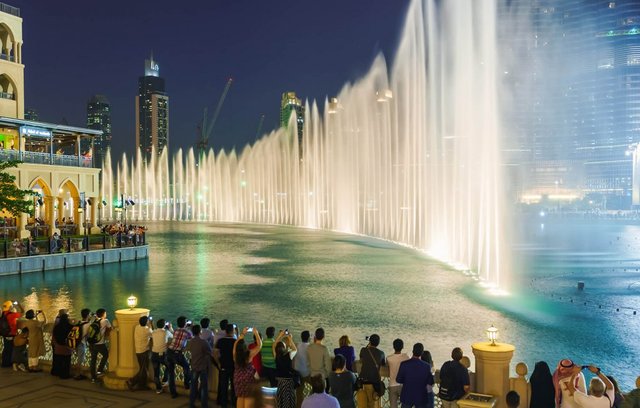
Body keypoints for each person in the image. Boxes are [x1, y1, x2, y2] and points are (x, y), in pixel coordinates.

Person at [396, 343, 434, 408]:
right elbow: (430, 382)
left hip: (407, 395)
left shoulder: (404, 364)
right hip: (420, 397)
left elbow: (398, 380)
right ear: (421, 353)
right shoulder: (427, 366)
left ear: (413, 351)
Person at [234, 327, 263, 408]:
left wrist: (242, 335)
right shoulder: (249, 354)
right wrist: (256, 333)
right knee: (248, 399)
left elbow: (235, 344)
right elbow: (259, 345)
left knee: (240, 398)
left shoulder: (235, 354)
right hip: (248, 379)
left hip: (237, 379)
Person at [167, 316, 193, 398]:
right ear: (185, 324)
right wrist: (191, 327)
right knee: (186, 367)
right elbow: (192, 338)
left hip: (169, 352)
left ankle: (173, 393)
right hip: (177, 354)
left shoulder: (176, 331)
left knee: (171, 374)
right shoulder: (187, 332)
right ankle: (186, 384)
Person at [357, 334, 386, 408]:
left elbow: (361, 358)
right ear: (378, 343)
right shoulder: (381, 353)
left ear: (370, 341)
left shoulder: (363, 350)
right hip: (373, 384)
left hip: (362, 383)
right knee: (372, 405)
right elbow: (383, 363)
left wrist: (368, 345)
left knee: (362, 405)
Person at [188, 324, 213, 408]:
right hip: (202, 366)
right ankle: (204, 404)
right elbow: (210, 352)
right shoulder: (203, 342)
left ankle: (191, 403)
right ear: (200, 332)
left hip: (194, 366)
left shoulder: (191, 341)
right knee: (204, 387)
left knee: (193, 386)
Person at [127, 315, 153, 391]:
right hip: (144, 351)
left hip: (138, 351)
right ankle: (131, 381)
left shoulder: (137, 327)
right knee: (143, 369)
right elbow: (153, 334)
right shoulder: (147, 330)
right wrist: (151, 324)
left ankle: (141, 385)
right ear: (146, 322)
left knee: (143, 369)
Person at [274, 330, 298, 408]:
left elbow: (274, 345)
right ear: (284, 348)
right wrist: (289, 338)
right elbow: (295, 349)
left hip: (280, 381)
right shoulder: (289, 355)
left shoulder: (276, 356)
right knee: (289, 400)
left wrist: (280, 335)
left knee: (281, 400)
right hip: (289, 381)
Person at [216, 323, 237, 407]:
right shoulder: (235, 341)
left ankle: (223, 404)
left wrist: (218, 363)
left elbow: (216, 354)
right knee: (234, 388)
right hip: (233, 367)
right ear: (233, 331)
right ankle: (234, 404)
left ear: (225, 331)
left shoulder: (220, 341)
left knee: (223, 387)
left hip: (223, 367)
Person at [89, 308, 112, 383]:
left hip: (92, 343)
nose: (106, 314)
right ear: (103, 314)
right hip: (100, 343)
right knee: (106, 355)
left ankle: (93, 377)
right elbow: (111, 329)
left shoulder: (94, 320)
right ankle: (100, 370)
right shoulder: (105, 321)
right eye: (105, 313)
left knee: (93, 359)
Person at [151, 318, 173, 394]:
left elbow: (153, 334)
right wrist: (170, 328)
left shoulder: (153, 332)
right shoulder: (166, 332)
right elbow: (173, 336)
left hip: (154, 355)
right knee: (169, 366)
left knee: (156, 373)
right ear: (164, 325)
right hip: (163, 355)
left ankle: (158, 389)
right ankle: (165, 380)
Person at [387, 338, 410, 408]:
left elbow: (386, 366)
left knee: (393, 406)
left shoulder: (388, 358)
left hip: (392, 385)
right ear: (402, 347)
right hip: (403, 385)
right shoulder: (406, 357)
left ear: (393, 347)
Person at [308, 327, 332, 391]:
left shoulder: (309, 347)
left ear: (315, 335)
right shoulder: (324, 349)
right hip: (322, 377)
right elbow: (328, 366)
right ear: (323, 337)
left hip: (312, 375)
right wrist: (327, 375)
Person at [1, 300, 23, 367]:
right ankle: (8, 364)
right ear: (10, 307)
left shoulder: (3, 314)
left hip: (5, 334)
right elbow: (22, 313)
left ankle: (4, 363)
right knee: (11, 349)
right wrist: (19, 304)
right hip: (12, 334)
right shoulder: (12, 315)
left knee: (6, 349)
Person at [51, 313, 73, 379]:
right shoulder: (70, 326)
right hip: (67, 347)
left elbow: (54, 335)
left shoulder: (57, 327)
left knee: (59, 360)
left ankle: (57, 372)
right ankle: (65, 374)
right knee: (66, 361)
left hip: (58, 346)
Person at [294, 330, 312, 408]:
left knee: (299, 393)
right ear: (309, 338)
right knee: (317, 387)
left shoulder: (297, 345)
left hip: (298, 373)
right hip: (307, 373)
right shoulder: (311, 347)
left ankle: (299, 406)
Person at [72, 309, 91, 379]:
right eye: (90, 314)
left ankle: (79, 373)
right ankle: (77, 375)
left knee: (79, 360)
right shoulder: (88, 324)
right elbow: (89, 335)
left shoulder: (79, 322)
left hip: (76, 343)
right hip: (82, 343)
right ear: (88, 315)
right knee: (80, 361)